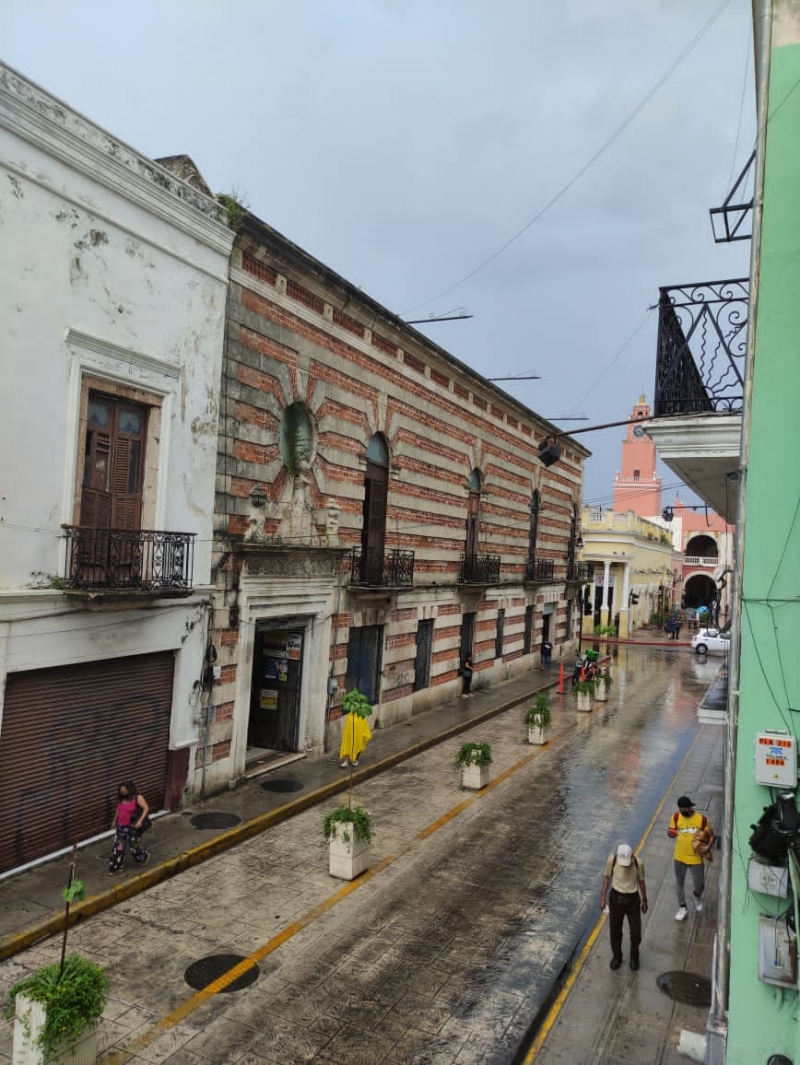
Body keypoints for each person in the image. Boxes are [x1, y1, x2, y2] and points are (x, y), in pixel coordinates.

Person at [600, 843, 648, 971]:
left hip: (633, 900)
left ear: (632, 856)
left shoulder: (638, 863)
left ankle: (634, 957)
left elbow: (641, 882)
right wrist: (603, 898)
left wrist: (644, 900)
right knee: (615, 931)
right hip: (616, 899)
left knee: (636, 932)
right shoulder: (612, 860)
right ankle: (617, 956)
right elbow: (606, 878)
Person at [668, 795, 715, 920]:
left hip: (696, 858)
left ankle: (697, 897)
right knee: (679, 883)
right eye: (681, 810)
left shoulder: (701, 820)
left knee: (699, 885)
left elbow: (712, 835)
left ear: (690, 807)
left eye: (685, 810)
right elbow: (670, 831)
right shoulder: (676, 817)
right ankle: (682, 907)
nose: (683, 813)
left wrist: (708, 847)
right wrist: (671, 833)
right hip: (679, 856)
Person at [109, 782, 150, 874]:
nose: (123, 793)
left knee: (134, 848)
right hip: (121, 827)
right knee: (118, 848)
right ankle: (116, 867)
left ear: (130, 789)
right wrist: (114, 820)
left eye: (124, 791)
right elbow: (118, 809)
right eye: (121, 791)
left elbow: (146, 808)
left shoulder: (137, 798)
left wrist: (140, 821)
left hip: (133, 827)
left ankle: (143, 855)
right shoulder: (121, 798)